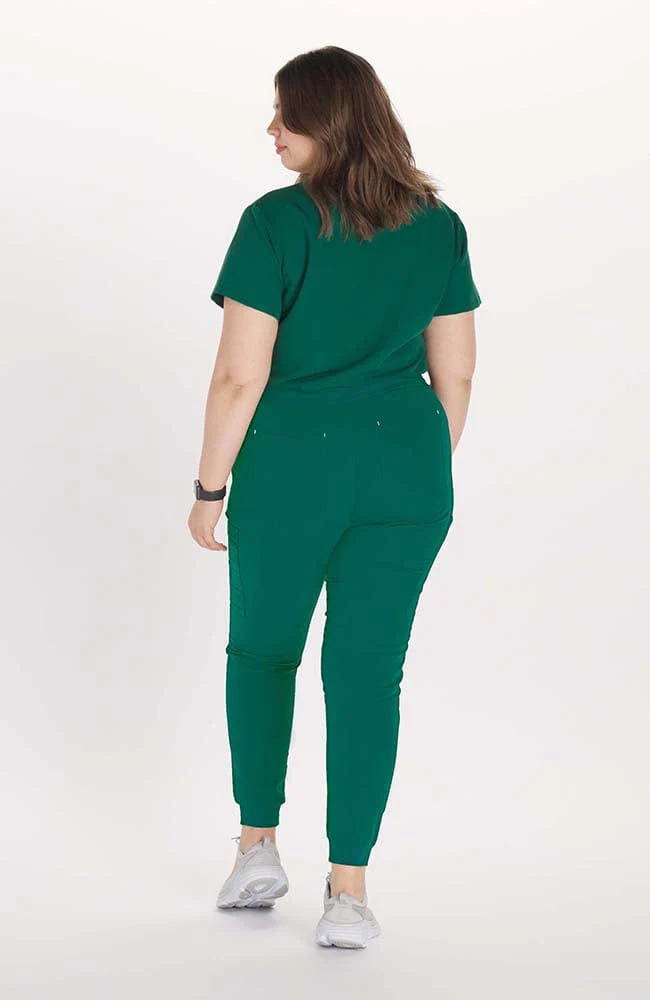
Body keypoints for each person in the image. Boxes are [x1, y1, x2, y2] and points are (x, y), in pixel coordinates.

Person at [188, 45, 482, 949]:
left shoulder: (275, 223)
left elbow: (239, 376)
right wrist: (407, 462)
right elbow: (456, 376)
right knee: (366, 673)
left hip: (290, 471)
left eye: (286, 115)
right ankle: (348, 893)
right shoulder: (439, 226)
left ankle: (257, 848)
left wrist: (209, 487)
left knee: (263, 652)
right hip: (409, 472)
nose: (272, 131)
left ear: (329, 121)